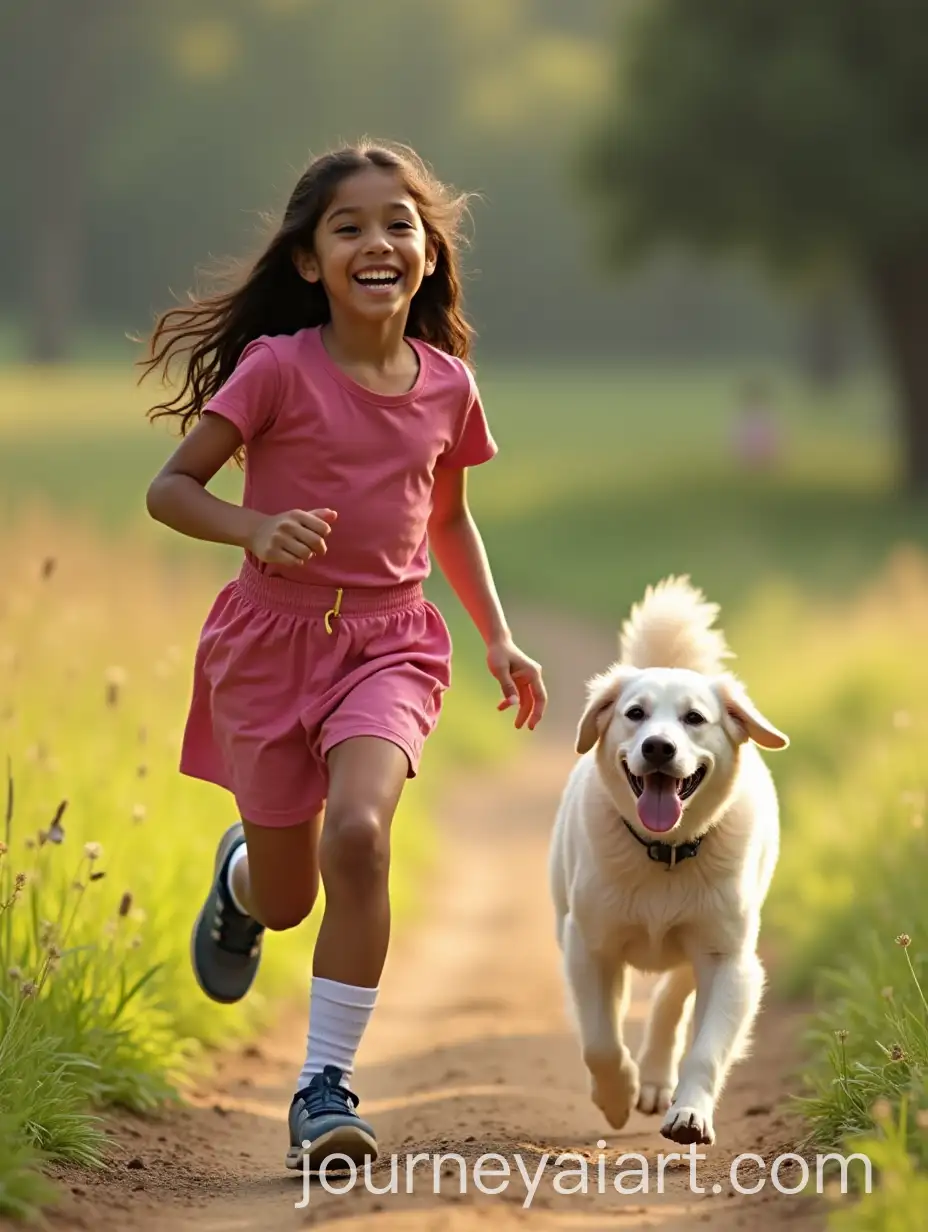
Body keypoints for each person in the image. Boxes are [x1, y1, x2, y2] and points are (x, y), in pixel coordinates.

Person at [139, 140, 547, 1173]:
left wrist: (496, 633)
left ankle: (324, 1085)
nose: (377, 241)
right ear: (311, 260)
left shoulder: (449, 386)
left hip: (391, 643)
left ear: (427, 253)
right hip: (271, 642)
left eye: (398, 223)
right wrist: (252, 526)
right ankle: (241, 879)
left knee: (359, 835)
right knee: (289, 898)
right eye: (349, 226)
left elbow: (448, 518)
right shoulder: (277, 368)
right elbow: (170, 488)